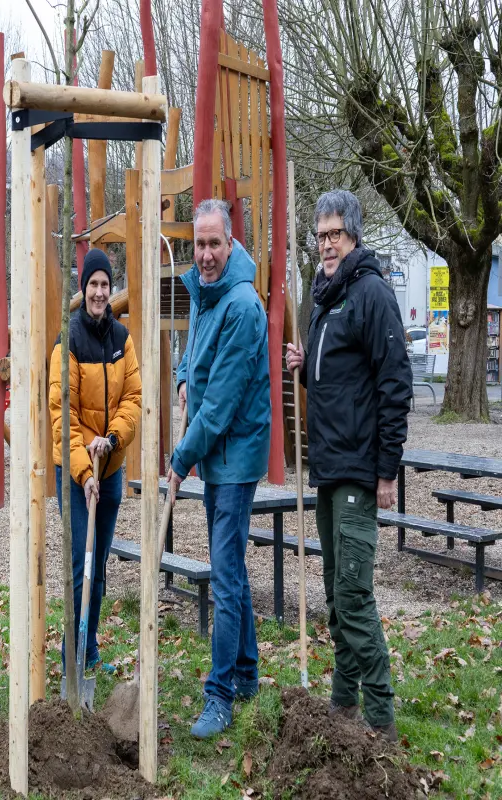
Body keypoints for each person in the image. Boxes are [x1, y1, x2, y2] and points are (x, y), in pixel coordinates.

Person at [286, 189, 412, 742]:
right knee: (337, 591)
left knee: (355, 594)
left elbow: (393, 384)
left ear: (354, 235)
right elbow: (334, 377)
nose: (326, 244)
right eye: (320, 236)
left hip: (361, 471)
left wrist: (388, 471)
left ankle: (380, 718)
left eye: (335, 234)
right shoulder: (324, 298)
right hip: (328, 469)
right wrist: (303, 364)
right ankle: (341, 705)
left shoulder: (371, 295)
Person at [167, 199, 271, 739]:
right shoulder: (205, 296)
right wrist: (183, 377)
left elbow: (223, 401)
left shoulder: (243, 307)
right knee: (230, 565)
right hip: (216, 451)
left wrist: (181, 456)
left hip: (234, 455)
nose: (205, 254)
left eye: (213, 244)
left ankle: (220, 694)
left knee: (225, 574)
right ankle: (249, 674)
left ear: (230, 245)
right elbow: (191, 356)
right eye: (199, 244)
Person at [48, 248, 142, 670]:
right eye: (93, 285)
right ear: (82, 289)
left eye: (105, 285)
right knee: (79, 565)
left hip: (112, 465)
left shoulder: (123, 340)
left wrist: (112, 438)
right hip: (74, 470)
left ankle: (89, 650)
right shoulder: (66, 341)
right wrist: (85, 469)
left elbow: (133, 398)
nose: (100, 292)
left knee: (99, 563)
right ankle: (72, 656)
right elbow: (60, 414)